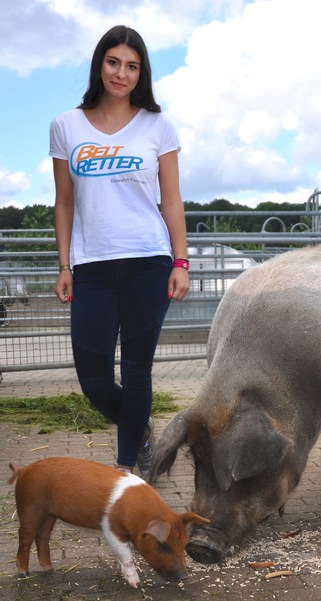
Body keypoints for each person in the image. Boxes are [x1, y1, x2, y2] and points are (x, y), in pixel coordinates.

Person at [51, 25, 190, 478]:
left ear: (141, 73)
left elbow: (171, 200)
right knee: (92, 379)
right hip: (91, 265)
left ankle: (128, 471)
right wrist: (65, 264)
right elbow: (65, 201)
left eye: (132, 66)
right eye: (114, 62)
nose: (121, 73)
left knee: (136, 373)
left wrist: (181, 261)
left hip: (148, 262)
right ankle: (142, 428)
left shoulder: (158, 125)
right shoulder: (65, 126)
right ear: (100, 64)